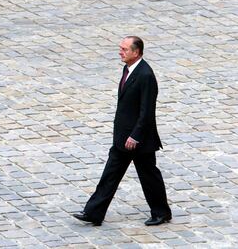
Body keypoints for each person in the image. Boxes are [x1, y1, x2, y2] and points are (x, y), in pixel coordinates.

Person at [73, 36, 171, 226]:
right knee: (110, 175)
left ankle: (161, 212)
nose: (120, 52)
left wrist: (135, 135)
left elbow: (147, 111)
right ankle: (93, 212)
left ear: (136, 52)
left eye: (125, 49)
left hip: (138, 140)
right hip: (122, 138)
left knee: (149, 176)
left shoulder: (145, 75)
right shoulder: (128, 69)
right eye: (121, 48)